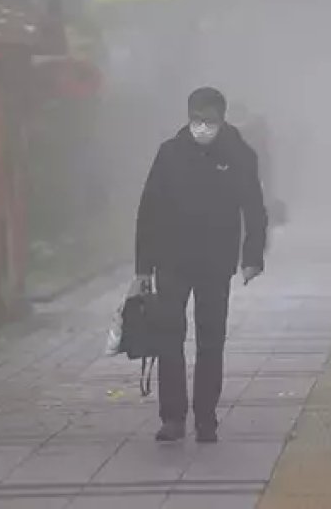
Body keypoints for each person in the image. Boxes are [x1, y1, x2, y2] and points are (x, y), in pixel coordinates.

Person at [134, 87, 268, 443]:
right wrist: (143, 267)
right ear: (189, 115)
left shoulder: (239, 155)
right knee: (169, 337)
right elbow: (149, 210)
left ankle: (206, 417)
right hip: (171, 260)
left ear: (222, 119)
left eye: (209, 120)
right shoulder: (170, 154)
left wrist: (253, 256)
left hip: (215, 261)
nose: (202, 126)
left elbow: (254, 206)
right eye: (197, 119)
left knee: (211, 341)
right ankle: (173, 417)